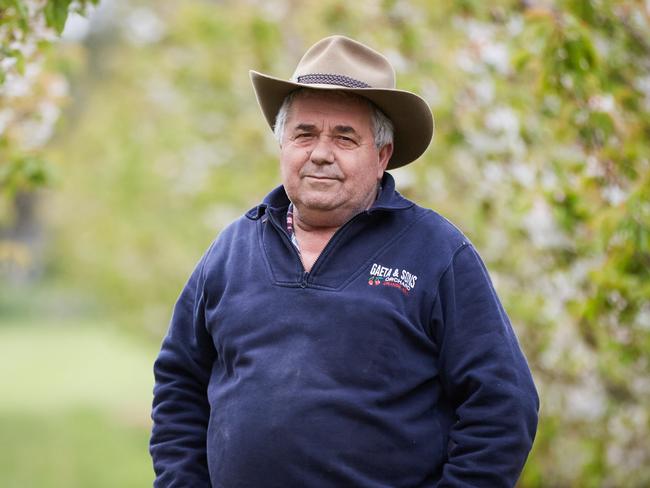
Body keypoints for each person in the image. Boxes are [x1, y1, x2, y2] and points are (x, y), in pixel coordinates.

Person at [150, 35, 539, 487]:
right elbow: (180, 382)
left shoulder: (437, 254)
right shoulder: (232, 250)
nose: (320, 152)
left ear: (382, 156)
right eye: (305, 133)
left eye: (344, 137)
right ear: (282, 145)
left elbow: (503, 405)